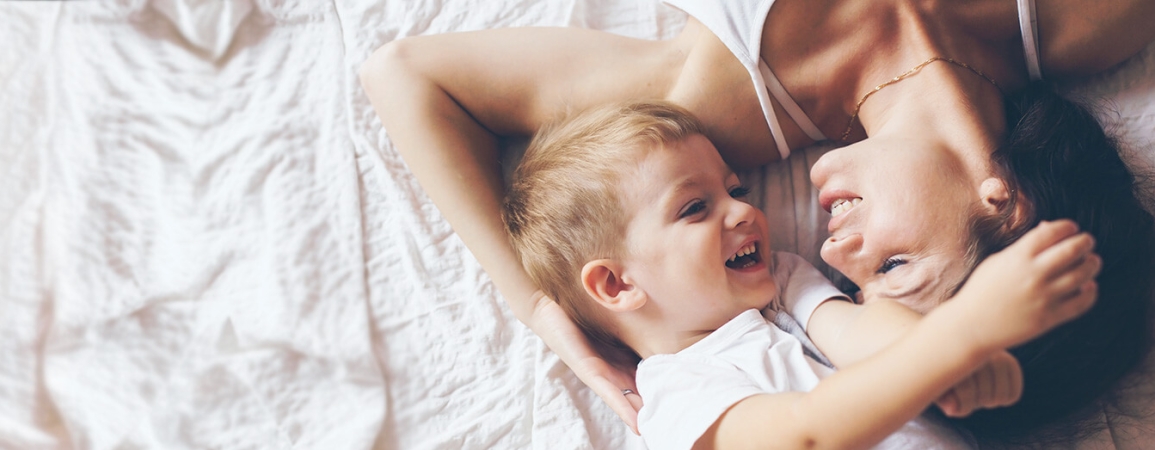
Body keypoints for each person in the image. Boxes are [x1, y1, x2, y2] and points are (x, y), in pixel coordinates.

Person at [360, 0, 1155, 442]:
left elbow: (406, 76)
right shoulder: (1090, 19)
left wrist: (539, 306)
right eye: (894, 267)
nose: (837, 250)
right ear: (1005, 200)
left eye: (862, 282)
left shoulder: (704, 123)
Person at [501, 100, 1100, 449]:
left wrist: (954, 358)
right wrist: (960, 334)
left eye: (733, 189)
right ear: (618, 284)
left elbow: (862, 330)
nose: (742, 209)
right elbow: (806, 435)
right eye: (694, 208)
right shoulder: (676, 400)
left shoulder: (781, 282)